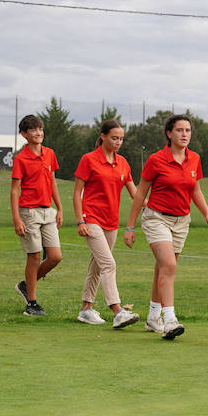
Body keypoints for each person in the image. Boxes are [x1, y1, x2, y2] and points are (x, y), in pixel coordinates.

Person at [124, 115, 208, 338]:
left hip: (182, 221)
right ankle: (170, 319)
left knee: (163, 268)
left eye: (187, 130)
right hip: (156, 218)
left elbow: (195, 189)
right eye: (179, 130)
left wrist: (207, 214)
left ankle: (153, 317)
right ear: (169, 133)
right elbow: (140, 194)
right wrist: (130, 227)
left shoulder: (194, 158)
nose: (184, 134)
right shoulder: (156, 160)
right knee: (169, 266)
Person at [72, 119, 139, 329]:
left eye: (121, 139)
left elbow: (135, 193)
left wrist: (154, 204)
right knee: (108, 264)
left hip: (112, 223)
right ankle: (118, 311)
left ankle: (86, 309)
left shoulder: (123, 163)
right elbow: (77, 193)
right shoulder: (89, 160)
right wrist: (79, 220)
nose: (118, 142)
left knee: (98, 266)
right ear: (103, 136)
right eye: (114, 138)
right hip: (91, 219)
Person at [10, 114, 63, 317]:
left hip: (47, 211)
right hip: (29, 213)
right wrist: (16, 218)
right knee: (34, 257)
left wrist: (59, 208)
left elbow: (53, 183)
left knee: (55, 256)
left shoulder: (49, 154)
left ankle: (26, 285)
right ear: (24, 134)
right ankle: (31, 303)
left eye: (40, 129)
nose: (38, 133)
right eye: (33, 130)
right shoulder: (20, 159)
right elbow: (15, 190)